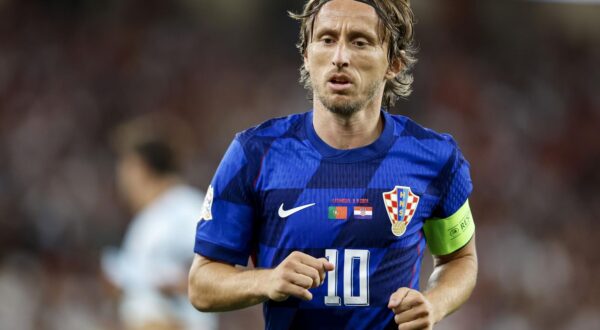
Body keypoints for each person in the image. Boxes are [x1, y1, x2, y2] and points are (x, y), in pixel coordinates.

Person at [189, 0, 478, 329]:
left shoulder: (435, 158)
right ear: (306, 55)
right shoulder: (255, 154)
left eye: (360, 41)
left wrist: (435, 303)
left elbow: (460, 259)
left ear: (394, 63)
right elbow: (201, 285)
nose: (340, 57)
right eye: (327, 39)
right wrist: (267, 281)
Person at [102, 115, 218, 330]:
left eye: (125, 167)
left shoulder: (186, 207)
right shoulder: (146, 221)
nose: (121, 178)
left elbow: (221, 271)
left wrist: (171, 285)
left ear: (140, 168)